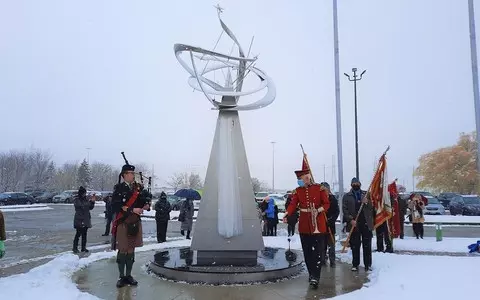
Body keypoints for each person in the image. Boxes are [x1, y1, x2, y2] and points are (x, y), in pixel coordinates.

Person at [282, 164, 330, 289]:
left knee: (318, 253)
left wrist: (318, 210)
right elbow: (293, 204)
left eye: (301, 178)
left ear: (307, 178)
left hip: (318, 224)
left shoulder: (319, 188)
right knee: (307, 252)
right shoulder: (298, 191)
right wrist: (287, 212)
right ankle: (311, 274)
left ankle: (316, 276)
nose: (299, 181)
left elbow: (326, 204)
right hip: (304, 225)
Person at [111, 163, 150, 288]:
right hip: (123, 221)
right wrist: (132, 210)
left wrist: (146, 204)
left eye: (133, 173)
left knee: (131, 249)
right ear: (124, 175)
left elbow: (143, 201)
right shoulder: (118, 188)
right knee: (123, 249)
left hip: (135, 222)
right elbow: (116, 205)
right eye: (130, 173)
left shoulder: (137, 188)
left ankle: (129, 275)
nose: (133, 175)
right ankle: (121, 277)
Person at [343, 177, 373, 272]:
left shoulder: (366, 194)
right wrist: (350, 220)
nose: (356, 185)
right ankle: (355, 264)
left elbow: (372, 207)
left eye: (357, 183)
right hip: (354, 224)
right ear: (351, 185)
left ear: (360, 184)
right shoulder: (347, 196)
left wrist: (367, 202)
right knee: (355, 245)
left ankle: (368, 264)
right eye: (354, 183)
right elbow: (345, 210)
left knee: (367, 245)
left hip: (365, 223)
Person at [320, 182, 339, 267]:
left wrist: (331, 220)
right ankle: (322, 260)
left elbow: (336, 211)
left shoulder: (333, 199)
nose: (324, 191)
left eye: (325, 189)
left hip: (330, 226)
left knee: (331, 244)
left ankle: (332, 261)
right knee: (322, 245)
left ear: (328, 190)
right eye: (322, 189)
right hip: (321, 226)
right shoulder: (319, 200)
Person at [73, 186, 95, 253]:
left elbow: (90, 207)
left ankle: (83, 247)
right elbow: (81, 206)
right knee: (78, 234)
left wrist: (92, 202)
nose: (85, 194)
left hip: (86, 219)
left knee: (84, 235)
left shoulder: (86, 199)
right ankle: (75, 248)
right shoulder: (77, 200)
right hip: (79, 219)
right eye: (84, 193)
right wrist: (89, 202)